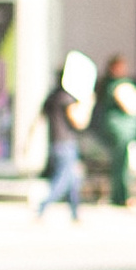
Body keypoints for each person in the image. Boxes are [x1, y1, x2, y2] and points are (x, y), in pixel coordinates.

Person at [35, 52, 95, 222]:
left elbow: (39, 118)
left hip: (54, 142)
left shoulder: (53, 96)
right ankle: (42, 206)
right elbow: (79, 121)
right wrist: (88, 104)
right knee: (63, 179)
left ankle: (75, 213)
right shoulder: (68, 98)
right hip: (66, 143)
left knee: (73, 181)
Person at [92, 56, 136, 208]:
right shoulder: (118, 85)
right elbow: (131, 106)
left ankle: (120, 195)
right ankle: (121, 195)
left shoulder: (110, 84)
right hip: (121, 129)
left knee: (120, 163)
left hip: (119, 128)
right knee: (122, 164)